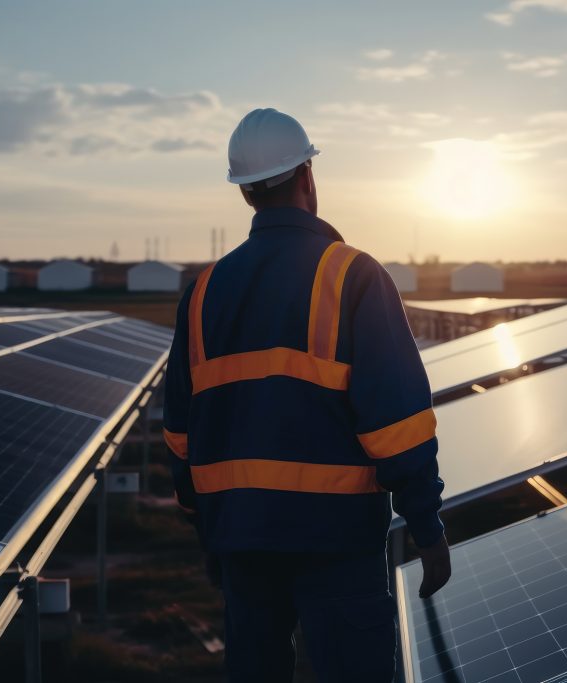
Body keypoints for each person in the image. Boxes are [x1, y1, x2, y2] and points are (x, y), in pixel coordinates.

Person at [162, 108, 451, 682]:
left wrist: (208, 530)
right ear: (308, 177)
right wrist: (426, 525)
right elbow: (397, 427)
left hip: (242, 542)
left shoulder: (203, 292)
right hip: (336, 544)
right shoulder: (353, 275)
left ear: (245, 194)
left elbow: (180, 435)